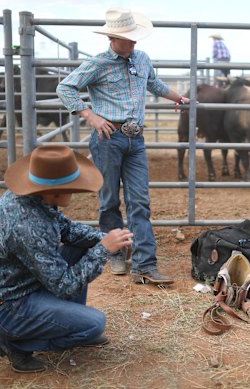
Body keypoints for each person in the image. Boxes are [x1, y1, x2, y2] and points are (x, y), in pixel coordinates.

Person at [0, 145, 134, 373]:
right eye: (72, 188)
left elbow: (65, 228)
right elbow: (65, 286)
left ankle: (67, 323)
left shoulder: (33, 200)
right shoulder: (26, 225)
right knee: (94, 324)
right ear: (55, 191)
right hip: (10, 307)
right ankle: (15, 345)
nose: (75, 193)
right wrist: (104, 249)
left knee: (81, 246)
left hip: (22, 287)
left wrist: (106, 239)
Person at [57, 8, 189, 285]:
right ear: (112, 38)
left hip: (135, 139)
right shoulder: (98, 64)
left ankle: (145, 264)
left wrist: (179, 98)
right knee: (109, 200)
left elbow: (153, 83)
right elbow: (65, 88)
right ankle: (116, 252)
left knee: (140, 201)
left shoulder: (141, 58)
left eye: (134, 38)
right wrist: (90, 115)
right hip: (108, 137)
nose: (133, 43)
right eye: (128, 39)